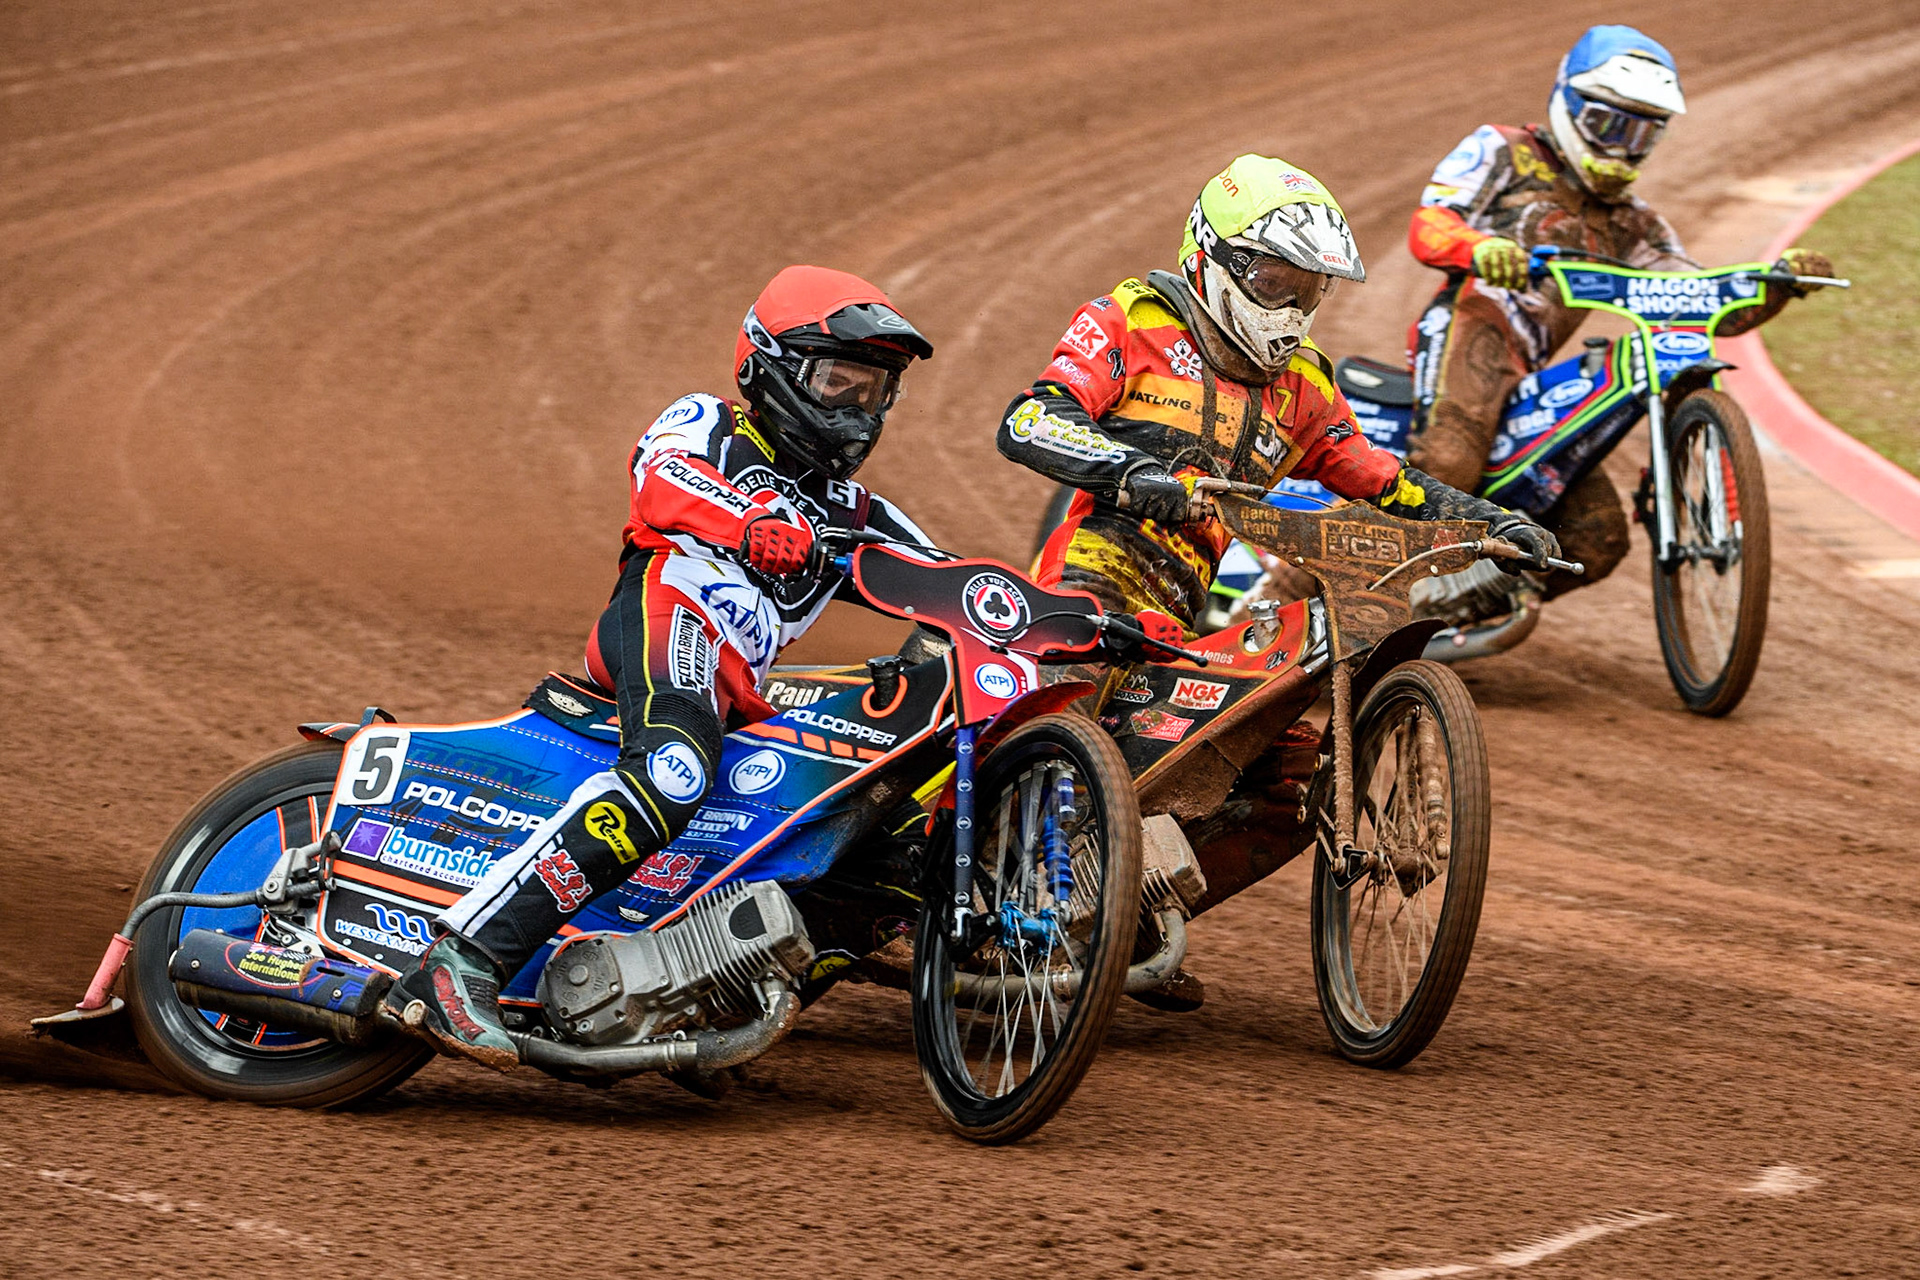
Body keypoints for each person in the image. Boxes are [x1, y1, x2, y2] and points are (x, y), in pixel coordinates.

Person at [998, 154, 1557, 1009]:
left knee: (1294, 780)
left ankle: (1119, 920)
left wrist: (1490, 522)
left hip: (1188, 627)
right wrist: (1135, 476)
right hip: (1088, 584)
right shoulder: (1131, 321)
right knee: (1076, 700)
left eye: (1309, 289)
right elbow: (1032, 417)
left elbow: (1385, 481)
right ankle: (984, 883)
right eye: (1275, 281)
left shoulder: (1302, 386)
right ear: (1213, 259)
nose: (1292, 307)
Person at [386, 266, 937, 1070]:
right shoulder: (708, 423)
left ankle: (701, 997)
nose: (856, 410)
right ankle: (459, 962)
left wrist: (1081, 621)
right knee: (674, 770)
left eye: (874, 390)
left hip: (739, 686)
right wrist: (750, 522)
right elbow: (661, 477)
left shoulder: (856, 514)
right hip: (668, 614)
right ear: (769, 367)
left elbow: (951, 579)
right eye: (837, 382)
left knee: (857, 830)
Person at [1405, 23, 1833, 618]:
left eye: (1642, 133)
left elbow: (1700, 297)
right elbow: (1429, 223)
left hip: (1529, 369)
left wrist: (1781, 283)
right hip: (1471, 325)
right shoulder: (1503, 149)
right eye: (1611, 125)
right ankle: (1328, 596)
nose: (1623, 148)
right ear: (1571, 105)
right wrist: (1479, 249)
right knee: (1451, 462)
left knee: (1597, 536)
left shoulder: (1634, 224)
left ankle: (1443, 615)